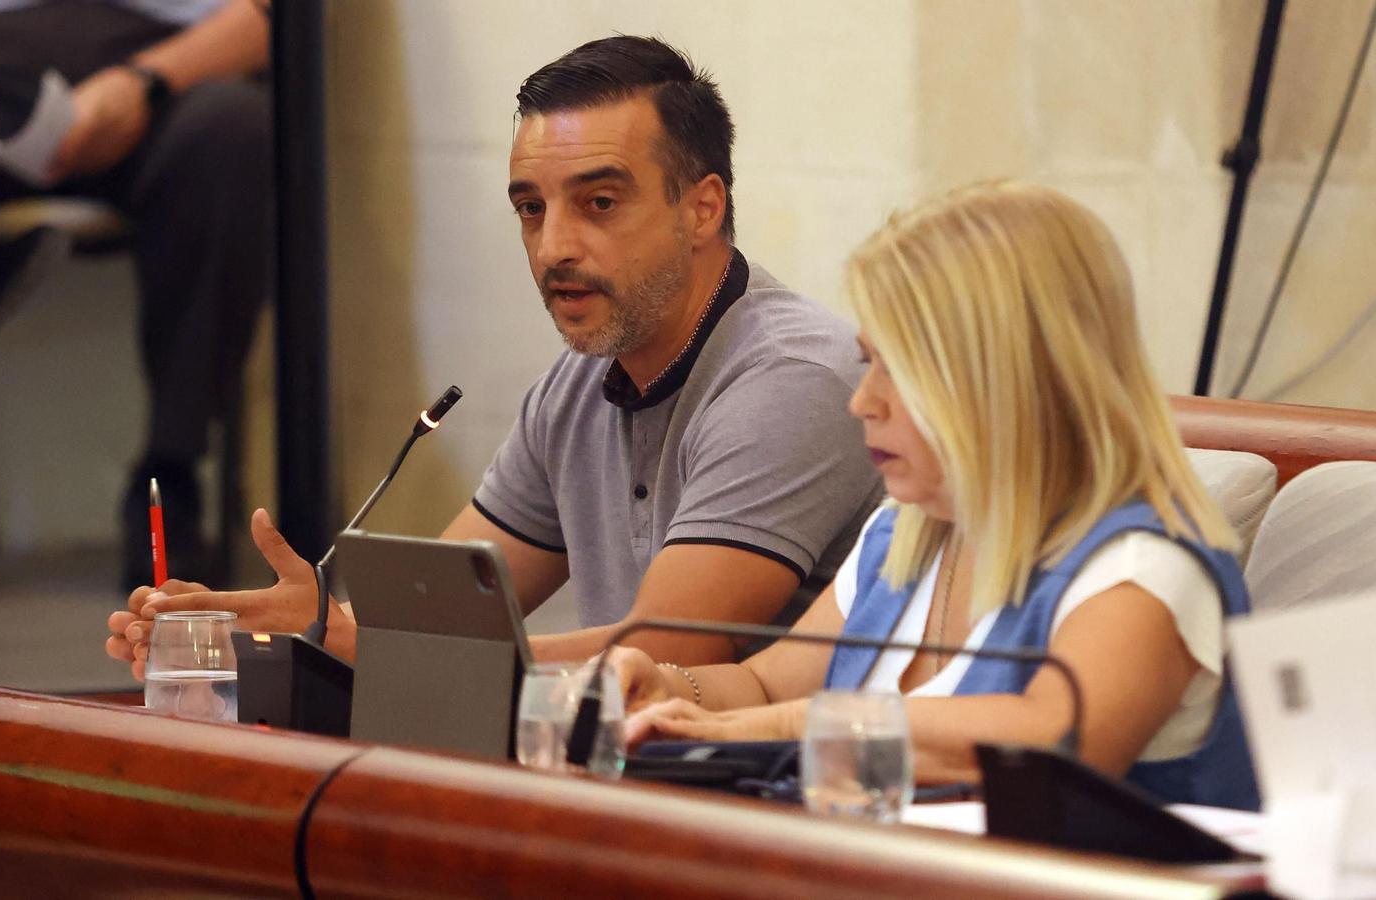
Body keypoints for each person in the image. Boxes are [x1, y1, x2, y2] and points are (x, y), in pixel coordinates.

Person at [106, 36, 883, 677]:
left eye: (598, 203)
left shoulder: (792, 378)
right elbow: (429, 616)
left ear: (702, 207)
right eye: (530, 210)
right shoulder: (576, 388)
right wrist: (260, 642)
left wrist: (360, 647)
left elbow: (667, 650)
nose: (554, 249)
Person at [609, 182, 1260, 811]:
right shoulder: (908, 529)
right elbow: (762, 684)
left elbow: (1050, 744)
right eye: (870, 364)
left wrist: (755, 732)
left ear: (1003, 380)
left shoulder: (1146, 563)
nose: (864, 402)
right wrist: (667, 688)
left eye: (902, 369)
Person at [0, 0, 273, 590]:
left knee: (237, 130)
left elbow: (280, 17)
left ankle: (169, 481)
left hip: (168, 75)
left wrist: (146, 80)